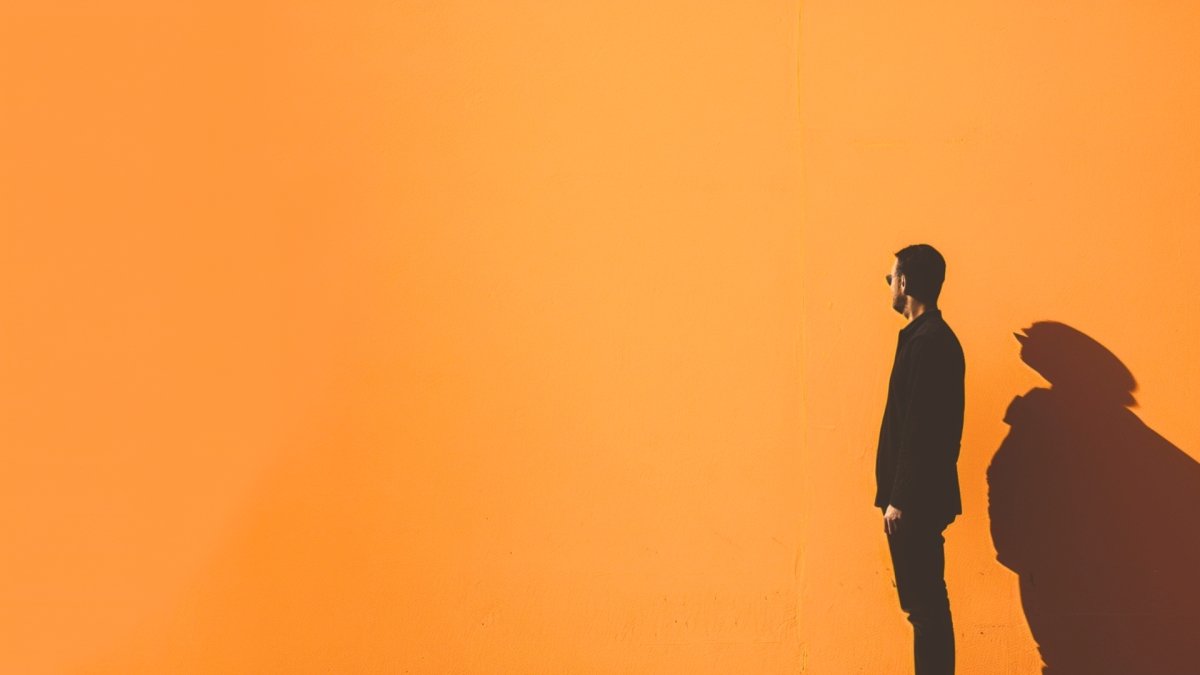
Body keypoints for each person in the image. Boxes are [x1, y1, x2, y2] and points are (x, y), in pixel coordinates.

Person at [875, 243, 964, 675]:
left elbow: (922, 428)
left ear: (905, 282)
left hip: (914, 502)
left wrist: (901, 499)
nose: (890, 284)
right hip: (914, 499)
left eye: (890, 277)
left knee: (925, 608)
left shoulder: (929, 342)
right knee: (923, 606)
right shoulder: (924, 339)